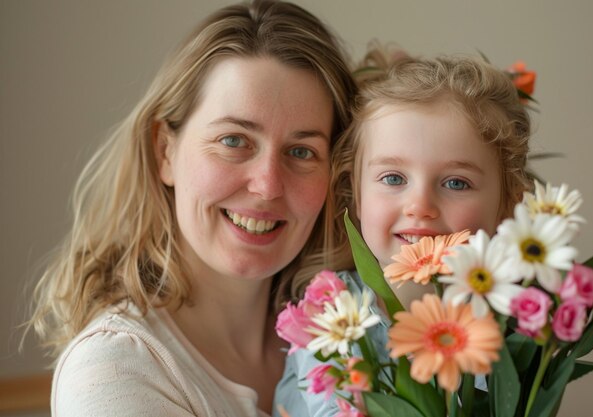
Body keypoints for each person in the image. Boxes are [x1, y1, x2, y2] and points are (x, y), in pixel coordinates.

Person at [28, 1, 357, 416]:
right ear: (166, 151)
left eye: (301, 151)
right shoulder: (114, 371)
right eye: (234, 141)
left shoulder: (349, 339)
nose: (268, 186)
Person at [274, 43, 532, 416]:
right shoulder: (332, 314)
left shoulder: (510, 326)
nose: (420, 206)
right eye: (393, 178)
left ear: (508, 206)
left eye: (456, 183)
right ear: (356, 196)